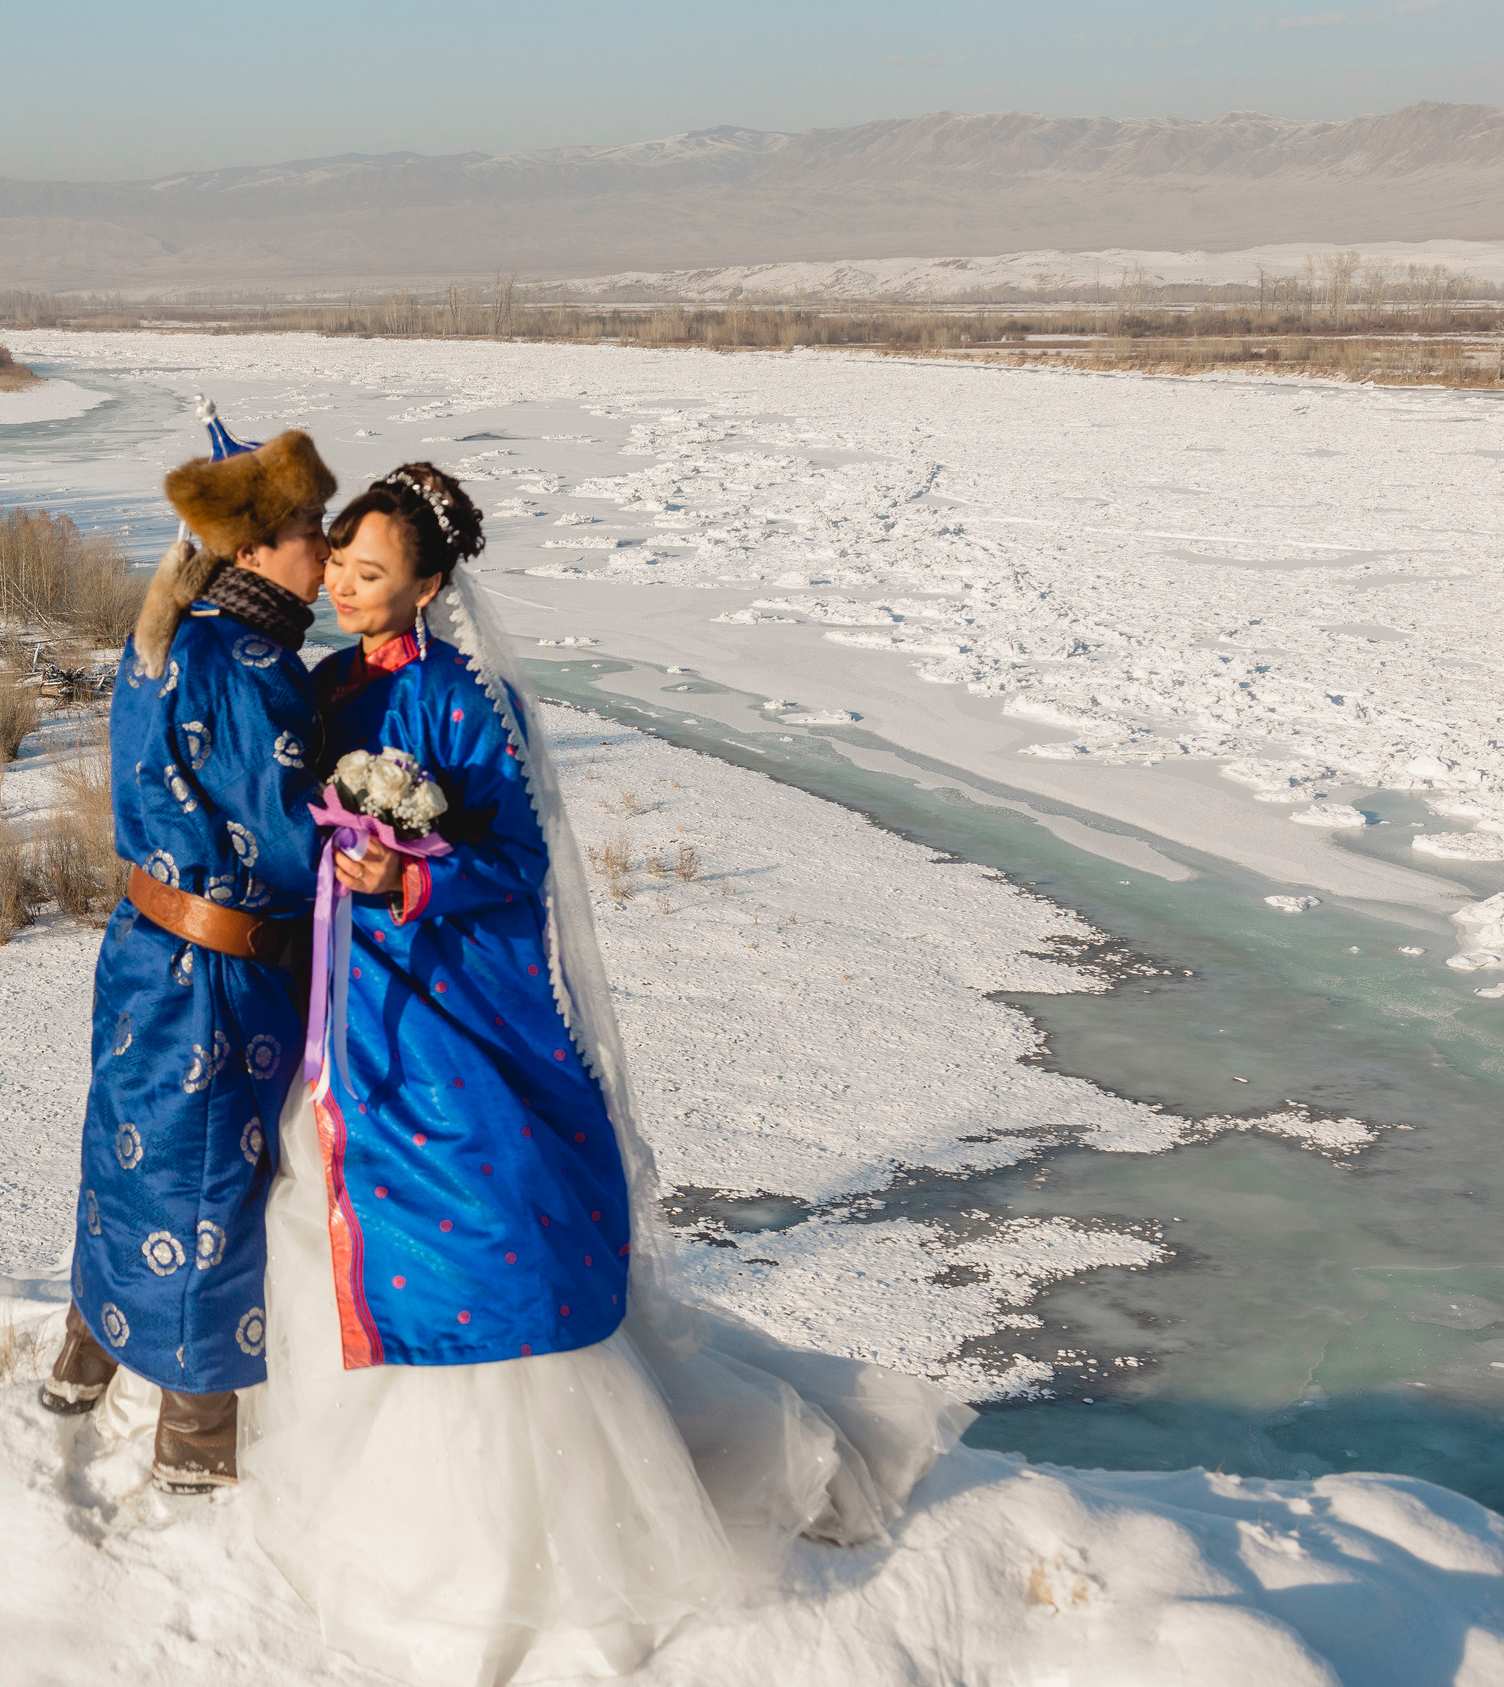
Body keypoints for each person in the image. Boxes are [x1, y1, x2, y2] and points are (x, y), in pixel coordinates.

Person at [242, 464, 973, 1685]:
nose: (348, 590)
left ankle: (533, 1540)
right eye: (343, 567)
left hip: (451, 1011)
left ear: (428, 584)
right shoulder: (328, 685)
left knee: (487, 1235)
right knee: (346, 1221)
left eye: (373, 575)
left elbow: (515, 858)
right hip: (352, 1011)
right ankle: (395, 1501)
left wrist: (411, 876)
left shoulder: (468, 703)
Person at [42, 428, 338, 1494]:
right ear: (255, 548)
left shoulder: (176, 634)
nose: (328, 547)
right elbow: (298, 841)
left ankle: (85, 1350)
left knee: (129, 1155)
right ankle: (196, 1423)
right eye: (311, 529)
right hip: (220, 974)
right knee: (213, 1176)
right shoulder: (251, 668)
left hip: (142, 950)